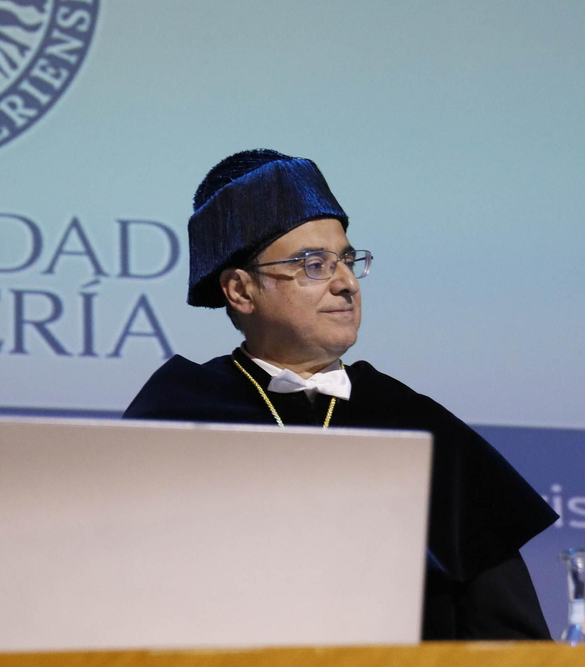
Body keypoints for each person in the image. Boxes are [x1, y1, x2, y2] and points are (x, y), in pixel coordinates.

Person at [124, 149, 556, 640]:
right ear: (241, 291)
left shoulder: (416, 422)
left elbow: (513, 641)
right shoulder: (176, 418)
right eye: (314, 265)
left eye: (348, 261)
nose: (347, 284)